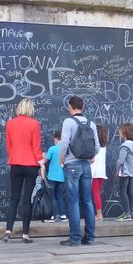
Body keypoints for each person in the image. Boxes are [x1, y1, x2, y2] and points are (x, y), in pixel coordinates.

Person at [59, 95, 100, 247]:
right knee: (88, 201)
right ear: (82, 107)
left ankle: (75, 238)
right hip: (86, 166)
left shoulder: (68, 122)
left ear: (70, 106)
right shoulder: (91, 123)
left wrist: (61, 159)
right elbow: (96, 147)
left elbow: (64, 143)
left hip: (72, 165)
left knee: (73, 202)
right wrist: (90, 158)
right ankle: (89, 237)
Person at [3, 98, 43, 243]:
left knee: (14, 198)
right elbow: (36, 147)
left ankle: (8, 231)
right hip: (31, 165)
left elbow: (9, 145)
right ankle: (25, 234)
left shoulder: (10, 123)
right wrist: (41, 163)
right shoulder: (35, 124)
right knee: (27, 199)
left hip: (15, 163)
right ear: (30, 109)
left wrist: (13, 156)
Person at [115, 123, 133, 221]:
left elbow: (120, 160)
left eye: (120, 131)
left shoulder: (124, 146)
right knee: (130, 191)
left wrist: (117, 170)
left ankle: (127, 214)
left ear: (125, 133)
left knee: (123, 192)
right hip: (132, 172)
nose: (119, 133)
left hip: (124, 172)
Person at [43, 131, 66, 222]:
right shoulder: (66, 149)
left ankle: (53, 215)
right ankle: (63, 215)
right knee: (59, 195)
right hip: (62, 176)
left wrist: (43, 156)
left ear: (56, 139)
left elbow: (45, 161)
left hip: (52, 176)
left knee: (52, 196)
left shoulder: (52, 148)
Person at [91, 125, 108, 221]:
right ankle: (98, 213)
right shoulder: (104, 147)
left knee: (95, 193)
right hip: (101, 173)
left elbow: (92, 160)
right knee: (96, 193)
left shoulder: (94, 147)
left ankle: (99, 214)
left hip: (94, 173)